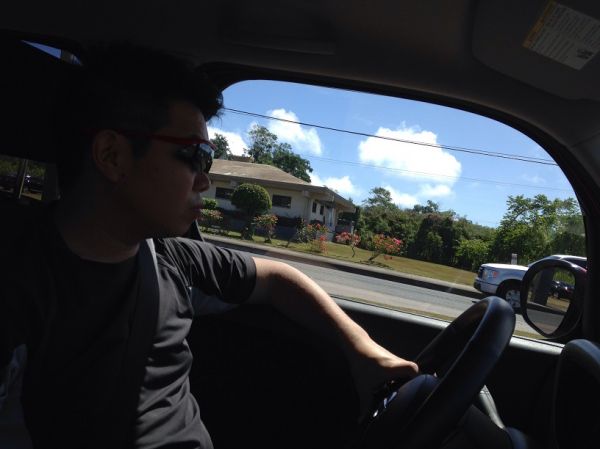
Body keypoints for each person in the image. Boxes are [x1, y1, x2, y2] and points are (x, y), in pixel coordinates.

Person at [0, 44, 418, 449]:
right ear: (112, 155)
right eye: (193, 156)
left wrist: (362, 350)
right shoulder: (19, 288)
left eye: (209, 160)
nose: (205, 179)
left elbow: (276, 277)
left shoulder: (170, 259)